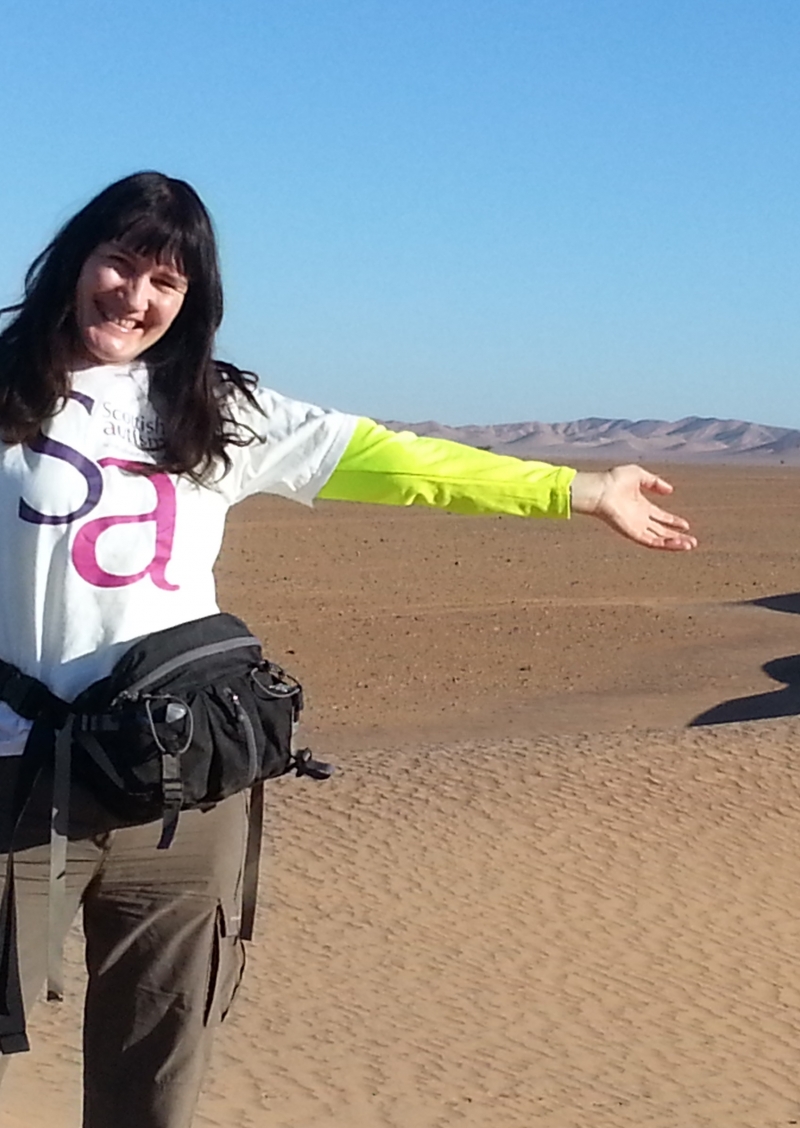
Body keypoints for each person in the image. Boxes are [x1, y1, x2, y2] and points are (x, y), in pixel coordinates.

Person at [0, 171, 696, 1128]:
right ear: (75, 262)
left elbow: (403, 464)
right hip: (16, 776)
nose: (135, 295)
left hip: (178, 788)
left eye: (167, 281)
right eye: (119, 263)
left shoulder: (220, 409)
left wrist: (579, 491)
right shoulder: (6, 387)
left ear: (192, 300)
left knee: (154, 1076)